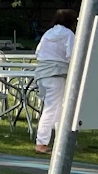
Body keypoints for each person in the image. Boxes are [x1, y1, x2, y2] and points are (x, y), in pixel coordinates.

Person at [31, 8, 77, 155]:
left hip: (42, 74)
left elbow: (38, 52)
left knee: (57, 109)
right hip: (56, 74)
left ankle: (60, 140)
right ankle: (41, 143)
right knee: (51, 109)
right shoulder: (69, 34)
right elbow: (72, 55)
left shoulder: (48, 33)